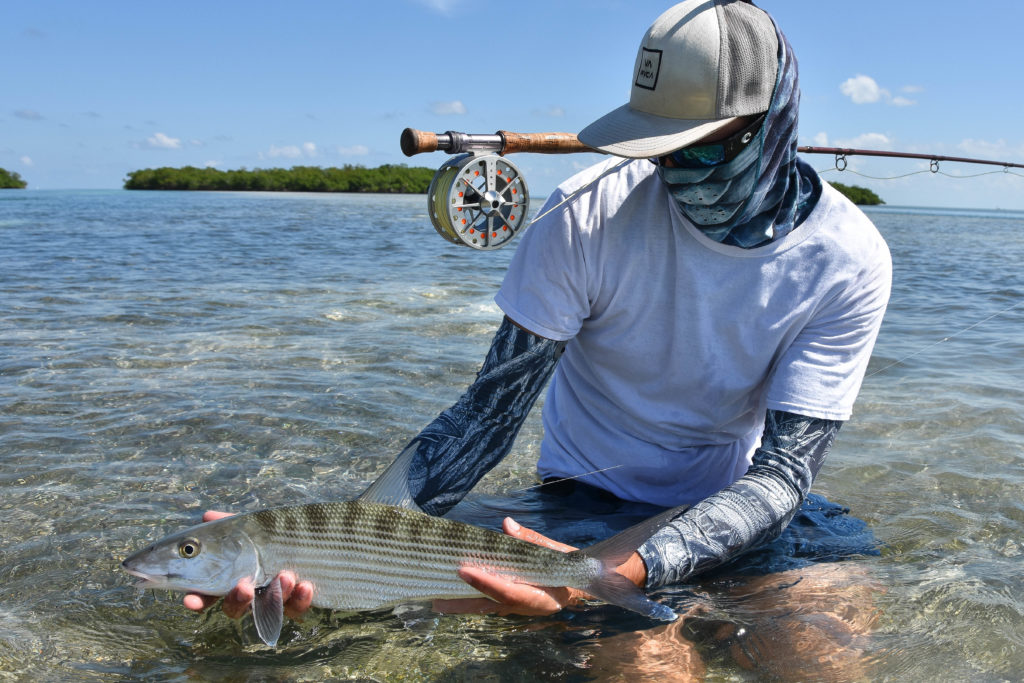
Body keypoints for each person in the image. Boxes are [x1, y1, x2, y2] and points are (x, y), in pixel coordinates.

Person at [187, 0, 891, 660]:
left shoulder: (849, 258)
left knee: (817, 651)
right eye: (657, 150)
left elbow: (784, 473)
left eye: (698, 152)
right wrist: (299, 547)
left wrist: (636, 566)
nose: (674, 175)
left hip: (735, 505)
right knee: (644, 662)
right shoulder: (584, 216)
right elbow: (488, 418)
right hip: (577, 506)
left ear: (771, 127)